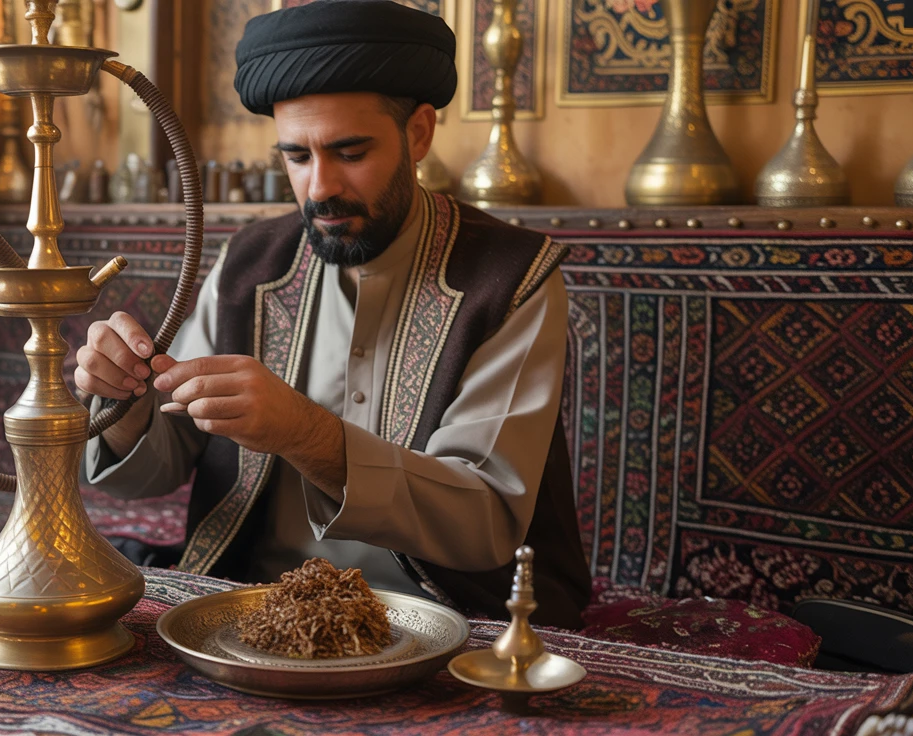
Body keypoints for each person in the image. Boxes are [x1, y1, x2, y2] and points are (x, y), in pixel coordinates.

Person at [77, 0, 590, 628]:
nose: (319, 187)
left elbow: (485, 522)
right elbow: (152, 471)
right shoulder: (251, 263)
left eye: (350, 152)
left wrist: (304, 433)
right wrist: (122, 403)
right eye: (297, 157)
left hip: (452, 616)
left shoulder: (510, 277)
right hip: (254, 603)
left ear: (419, 134)